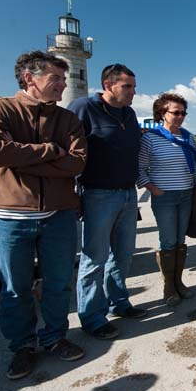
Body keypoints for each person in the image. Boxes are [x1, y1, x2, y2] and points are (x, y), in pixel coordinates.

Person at [0, 51, 87, 379]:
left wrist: (24, 155)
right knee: (15, 288)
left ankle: (55, 338)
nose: (62, 85)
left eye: (64, 79)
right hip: (10, 218)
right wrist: (52, 151)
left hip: (59, 215)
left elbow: (77, 161)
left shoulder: (67, 119)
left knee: (57, 284)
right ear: (30, 78)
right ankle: (22, 347)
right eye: (55, 78)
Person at [68, 64, 146, 341]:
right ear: (108, 84)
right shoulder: (83, 108)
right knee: (95, 258)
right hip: (97, 194)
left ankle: (119, 303)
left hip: (127, 193)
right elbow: (70, 152)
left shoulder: (129, 113)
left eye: (134, 87)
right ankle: (92, 317)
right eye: (128, 86)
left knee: (123, 255)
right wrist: (73, 194)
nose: (133, 92)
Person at [138, 93, 196, 307]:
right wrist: (152, 189)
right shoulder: (151, 137)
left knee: (180, 241)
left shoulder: (187, 137)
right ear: (162, 113)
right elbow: (139, 167)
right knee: (168, 241)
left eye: (183, 113)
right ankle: (169, 285)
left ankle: (179, 282)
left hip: (186, 194)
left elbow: (194, 166)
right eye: (175, 112)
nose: (180, 116)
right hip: (164, 197)